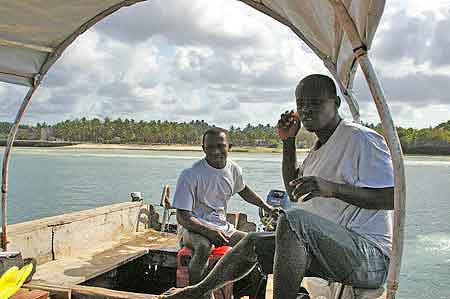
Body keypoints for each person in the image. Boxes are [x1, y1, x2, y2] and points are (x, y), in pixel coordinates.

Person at [161, 74, 394, 299]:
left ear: (336, 103)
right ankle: (196, 291)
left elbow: (392, 198)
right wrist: (288, 141)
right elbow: (293, 191)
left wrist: (332, 188)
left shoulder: (360, 139)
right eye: (301, 103)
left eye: (315, 102)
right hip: (332, 252)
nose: (307, 109)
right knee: (252, 242)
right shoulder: (318, 151)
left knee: (293, 220)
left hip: (369, 258)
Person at [171, 127, 276, 289]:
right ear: (203, 148)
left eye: (220, 146)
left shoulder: (234, 170)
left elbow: (243, 190)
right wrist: (208, 231)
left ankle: (247, 289)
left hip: (222, 227)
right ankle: (197, 293)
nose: (215, 151)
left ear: (230, 146)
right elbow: (183, 217)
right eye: (210, 147)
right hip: (191, 229)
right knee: (204, 246)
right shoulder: (190, 174)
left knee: (255, 245)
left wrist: (266, 207)